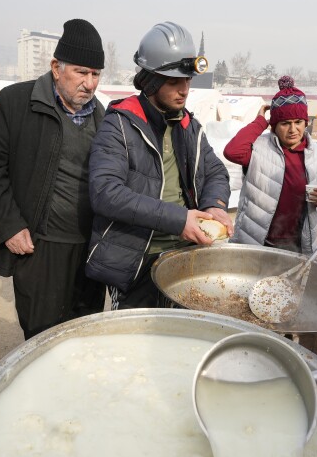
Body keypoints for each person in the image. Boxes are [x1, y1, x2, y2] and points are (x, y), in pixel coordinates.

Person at [0, 19, 107, 339]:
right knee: (41, 335)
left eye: (96, 74)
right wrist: (9, 226)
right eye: (81, 72)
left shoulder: (103, 117)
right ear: (56, 67)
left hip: (88, 250)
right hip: (40, 248)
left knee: (83, 332)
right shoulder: (17, 102)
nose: (89, 83)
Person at [86, 21, 232, 307]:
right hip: (137, 260)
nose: (184, 90)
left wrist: (214, 204)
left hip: (186, 256)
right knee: (136, 344)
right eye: (174, 81)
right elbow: (105, 192)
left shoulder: (189, 125)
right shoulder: (119, 125)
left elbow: (215, 171)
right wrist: (178, 220)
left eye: (188, 81)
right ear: (151, 81)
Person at [225, 76, 317, 254]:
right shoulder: (258, 148)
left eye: (298, 122)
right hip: (257, 241)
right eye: (285, 123)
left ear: (306, 122)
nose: (293, 130)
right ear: (274, 126)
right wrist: (259, 122)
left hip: (298, 243)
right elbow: (232, 151)